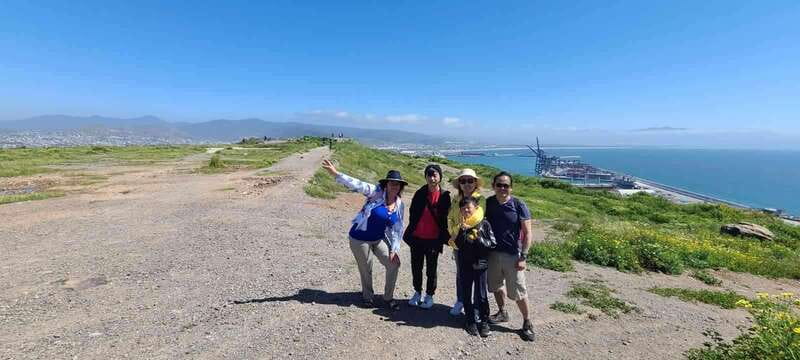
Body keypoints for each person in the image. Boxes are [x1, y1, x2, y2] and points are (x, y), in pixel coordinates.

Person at [321, 159, 405, 310]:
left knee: (394, 264)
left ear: (400, 187)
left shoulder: (399, 204)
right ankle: (368, 297)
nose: (395, 186)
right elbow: (357, 184)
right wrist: (336, 174)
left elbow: (397, 229)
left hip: (378, 238)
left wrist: (394, 249)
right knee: (366, 268)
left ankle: (388, 298)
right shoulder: (376, 193)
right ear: (386, 184)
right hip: (359, 238)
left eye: (397, 184)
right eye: (392, 183)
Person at [485, 171, 535, 341]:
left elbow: (528, 233)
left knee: (519, 291)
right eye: (499, 185)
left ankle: (527, 322)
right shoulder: (489, 203)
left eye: (505, 185)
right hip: (493, 253)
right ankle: (502, 312)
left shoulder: (519, 205)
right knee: (496, 286)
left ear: (511, 188)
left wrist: (523, 256)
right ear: (493, 186)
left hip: (513, 255)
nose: (502, 188)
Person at [403, 164, 451, 309]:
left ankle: (429, 295)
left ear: (440, 177)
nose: (432, 178)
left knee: (431, 269)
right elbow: (412, 214)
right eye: (429, 175)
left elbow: (447, 218)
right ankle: (417, 292)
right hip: (417, 237)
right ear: (425, 177)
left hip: (434, 239)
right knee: (416, 267)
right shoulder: (419, 193)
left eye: (435, 175)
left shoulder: (445, 196)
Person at [454, 197, 496, 337]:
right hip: (465, 264)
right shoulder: (461, 224)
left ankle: (484, 321)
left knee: (481, 295)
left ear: (476, 208)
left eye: (469, 207)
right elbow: (457, 245)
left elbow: (492, 244)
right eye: (463, 208)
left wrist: (478, 239)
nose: (466, 210)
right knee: (466, 294)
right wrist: (461, 232)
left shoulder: (484, 223)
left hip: (480, 265)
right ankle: (470, 320)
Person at [446, 168, 484, 316]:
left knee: (477, 275)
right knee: (460, 273)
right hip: (459, 243)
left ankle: (476, 307)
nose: (466, 184)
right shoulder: (456, 199)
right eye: (463, 181)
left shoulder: (480, 199)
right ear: (459, 184)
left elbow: (478, 216)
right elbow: (450, 217)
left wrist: (460, 229)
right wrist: (454, 233)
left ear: (475, 183)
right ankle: (460, 300)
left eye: (470, 180)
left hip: (475, 243)